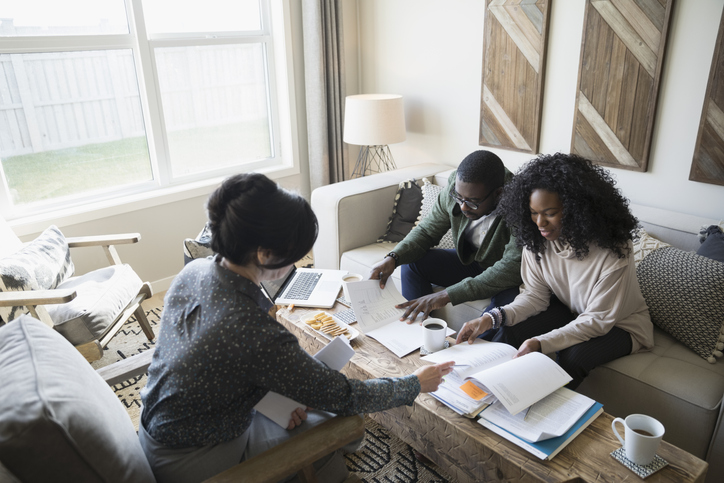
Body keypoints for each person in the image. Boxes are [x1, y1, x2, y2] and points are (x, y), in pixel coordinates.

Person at [138, 173, 454, 483]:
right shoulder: (252, 331)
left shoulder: (194, 271)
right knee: (345, 421)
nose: (297, 263)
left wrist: (272, 400)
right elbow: (344, 396)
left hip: (160, 429)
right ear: (263, 254)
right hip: (198, 461)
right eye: (295, 255)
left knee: (308, 406)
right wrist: (414, 383)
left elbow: (214, 363)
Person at [456, 153, 654, 389]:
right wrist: (491, 318)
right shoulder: (536, 238)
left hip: (619, 324)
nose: (539, 223)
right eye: (533, 212)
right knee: (508, 331)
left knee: (573, 357)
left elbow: (597, 320)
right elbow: (535, 296)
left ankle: (545, 414)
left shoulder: (613, 249)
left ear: (575, 209)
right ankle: (488, 393)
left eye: (549, 213)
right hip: (571, 310)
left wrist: (540, 342)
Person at [370, 149, 523, 323]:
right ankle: (417, 331)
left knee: (500, 315)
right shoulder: (455, 191)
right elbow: (427, 231)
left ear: (498, 193)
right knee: (412, 262)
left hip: (508, 278)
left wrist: (446, 295)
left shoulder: (520, 205)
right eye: (459, 198)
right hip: (473, 263)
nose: (463, 207)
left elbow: (510, 268)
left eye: (472, 202)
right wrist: (393, 257)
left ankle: (472, 349)